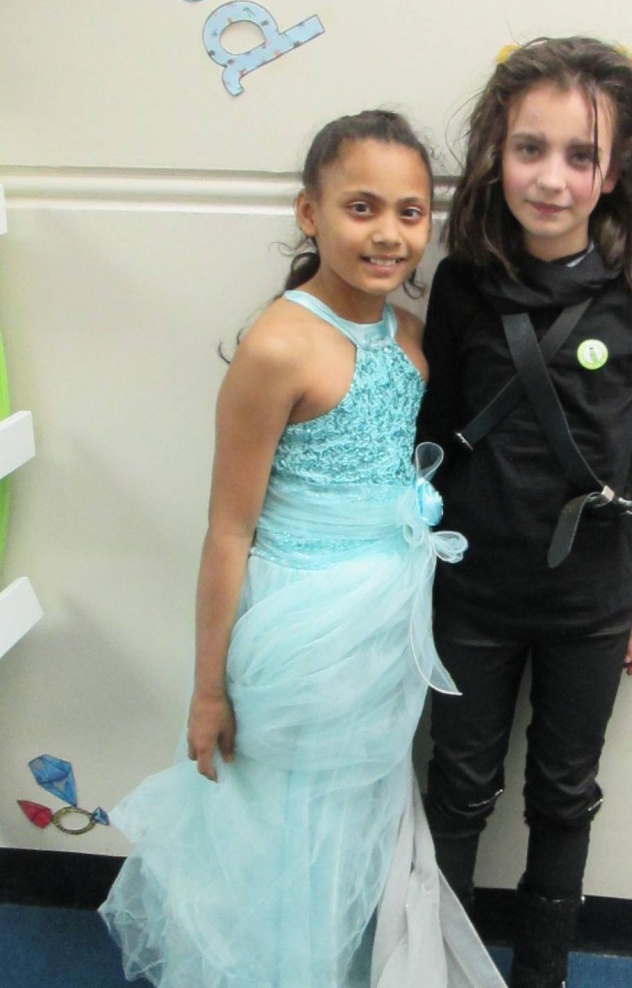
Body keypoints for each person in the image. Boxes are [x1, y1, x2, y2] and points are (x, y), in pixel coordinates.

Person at [99, 110, 505, 988]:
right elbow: (228, 529)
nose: (388, 233)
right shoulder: (278, 346)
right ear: (310, 213)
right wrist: (207, 690)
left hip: (385, 626)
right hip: (300, 632)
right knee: (287, 827)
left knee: (358, 816)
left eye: (409, 212)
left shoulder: (410, 336)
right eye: (362, 207)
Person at [417, 37, 632, 987]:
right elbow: (433, 435)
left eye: (581, 156)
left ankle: (542, 975)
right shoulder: (461, 284)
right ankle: (440, 970)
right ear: (497, 154)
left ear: (614, 173)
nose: (552, 177)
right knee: (457, 791)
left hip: (591, 599)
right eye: (530, 148)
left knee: (565, 798)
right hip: (472, 592)